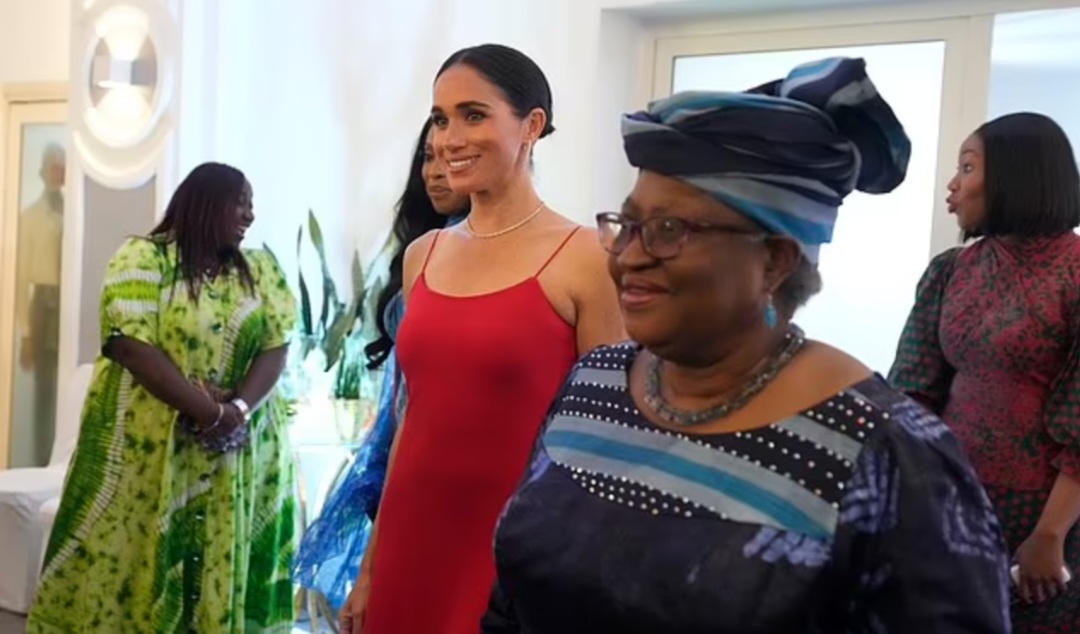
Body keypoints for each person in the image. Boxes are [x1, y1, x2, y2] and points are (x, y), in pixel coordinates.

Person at [481, 58, 1011, 634]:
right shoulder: (593, 384)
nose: (628, 256)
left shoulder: (887, 454)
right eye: (627, 226)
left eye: (669, 230)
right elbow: (510, 603)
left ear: (775, 261)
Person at [342, 44, 624, 634]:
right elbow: (408, 421)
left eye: (474, 115)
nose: (449, 139)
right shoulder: (424, 256)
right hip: (409, 545)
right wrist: (368, 567)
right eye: (441, 119)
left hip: (514, 553)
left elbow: (607, 440)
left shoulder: (585, 259)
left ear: (532, 126)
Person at [27, 162, 298, 634]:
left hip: (235, 456)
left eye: (252, 205)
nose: (250, 215)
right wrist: (208, 412)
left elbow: (277, 344)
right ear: (205, 202)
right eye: (241, 202)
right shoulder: (143, 258)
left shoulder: (260, 269)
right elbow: (130, 344)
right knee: (129, 567)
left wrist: (235, 410)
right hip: (146, 455)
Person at [890, 112, 1080, 631]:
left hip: (1050, 520)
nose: (953, 185)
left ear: (1018, 176)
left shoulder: (1076, 271)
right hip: (950, 500)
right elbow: (911, 393)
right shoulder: (951, 270)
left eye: (968, 167)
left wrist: (1049, 534)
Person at [293, 117, 470, 610]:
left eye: (447, 158)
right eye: (427, 159)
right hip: (403, 450)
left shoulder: (480, 257)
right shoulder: (421, 252)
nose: (435, 173)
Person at [13, 142, 65, 466]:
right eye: (52, 166)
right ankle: (39, 460)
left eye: (62, 167)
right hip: (43, 305)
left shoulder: (75, 212)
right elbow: (20, 277)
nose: (58, 172)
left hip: (67, 306)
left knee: (67, 386)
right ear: (43, 172)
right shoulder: (30, 217)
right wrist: (26, 333)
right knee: (45, 390)